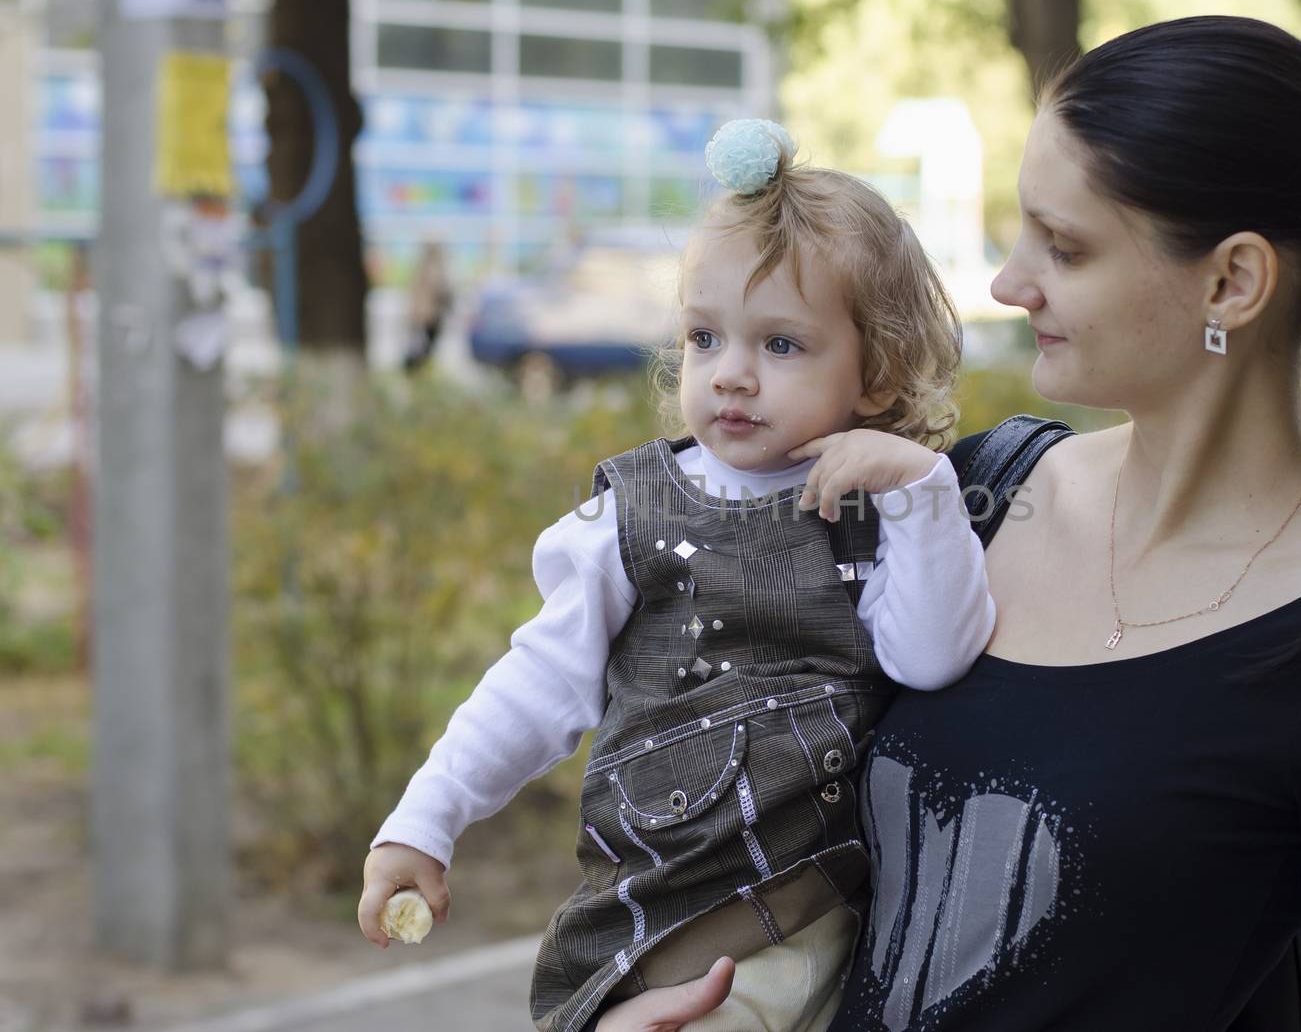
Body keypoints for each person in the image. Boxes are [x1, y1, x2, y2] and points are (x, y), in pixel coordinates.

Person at [597, 16, 1301, 1032]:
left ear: (1232, 281)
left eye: (1065, 246)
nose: (1007, 281)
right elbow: (741, 793)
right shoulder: (965, 495)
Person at [357, 120, 991, 1032]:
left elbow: (933, 659)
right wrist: (426, 818)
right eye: (705, 336)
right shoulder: (631, 511)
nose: (730, 375)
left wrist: (924, 490)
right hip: (677, 942)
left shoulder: (888, 510)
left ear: (878, 372)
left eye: (780, 345)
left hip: (845, 933)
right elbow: (537, 683)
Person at [402, 240, 452, 373]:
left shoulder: (420, 267)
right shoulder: (436, 269)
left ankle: (418, 374)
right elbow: (444, 292)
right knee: (424, 351)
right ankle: (420, 374)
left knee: (420, 350)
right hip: (430, 318)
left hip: (420, 317)